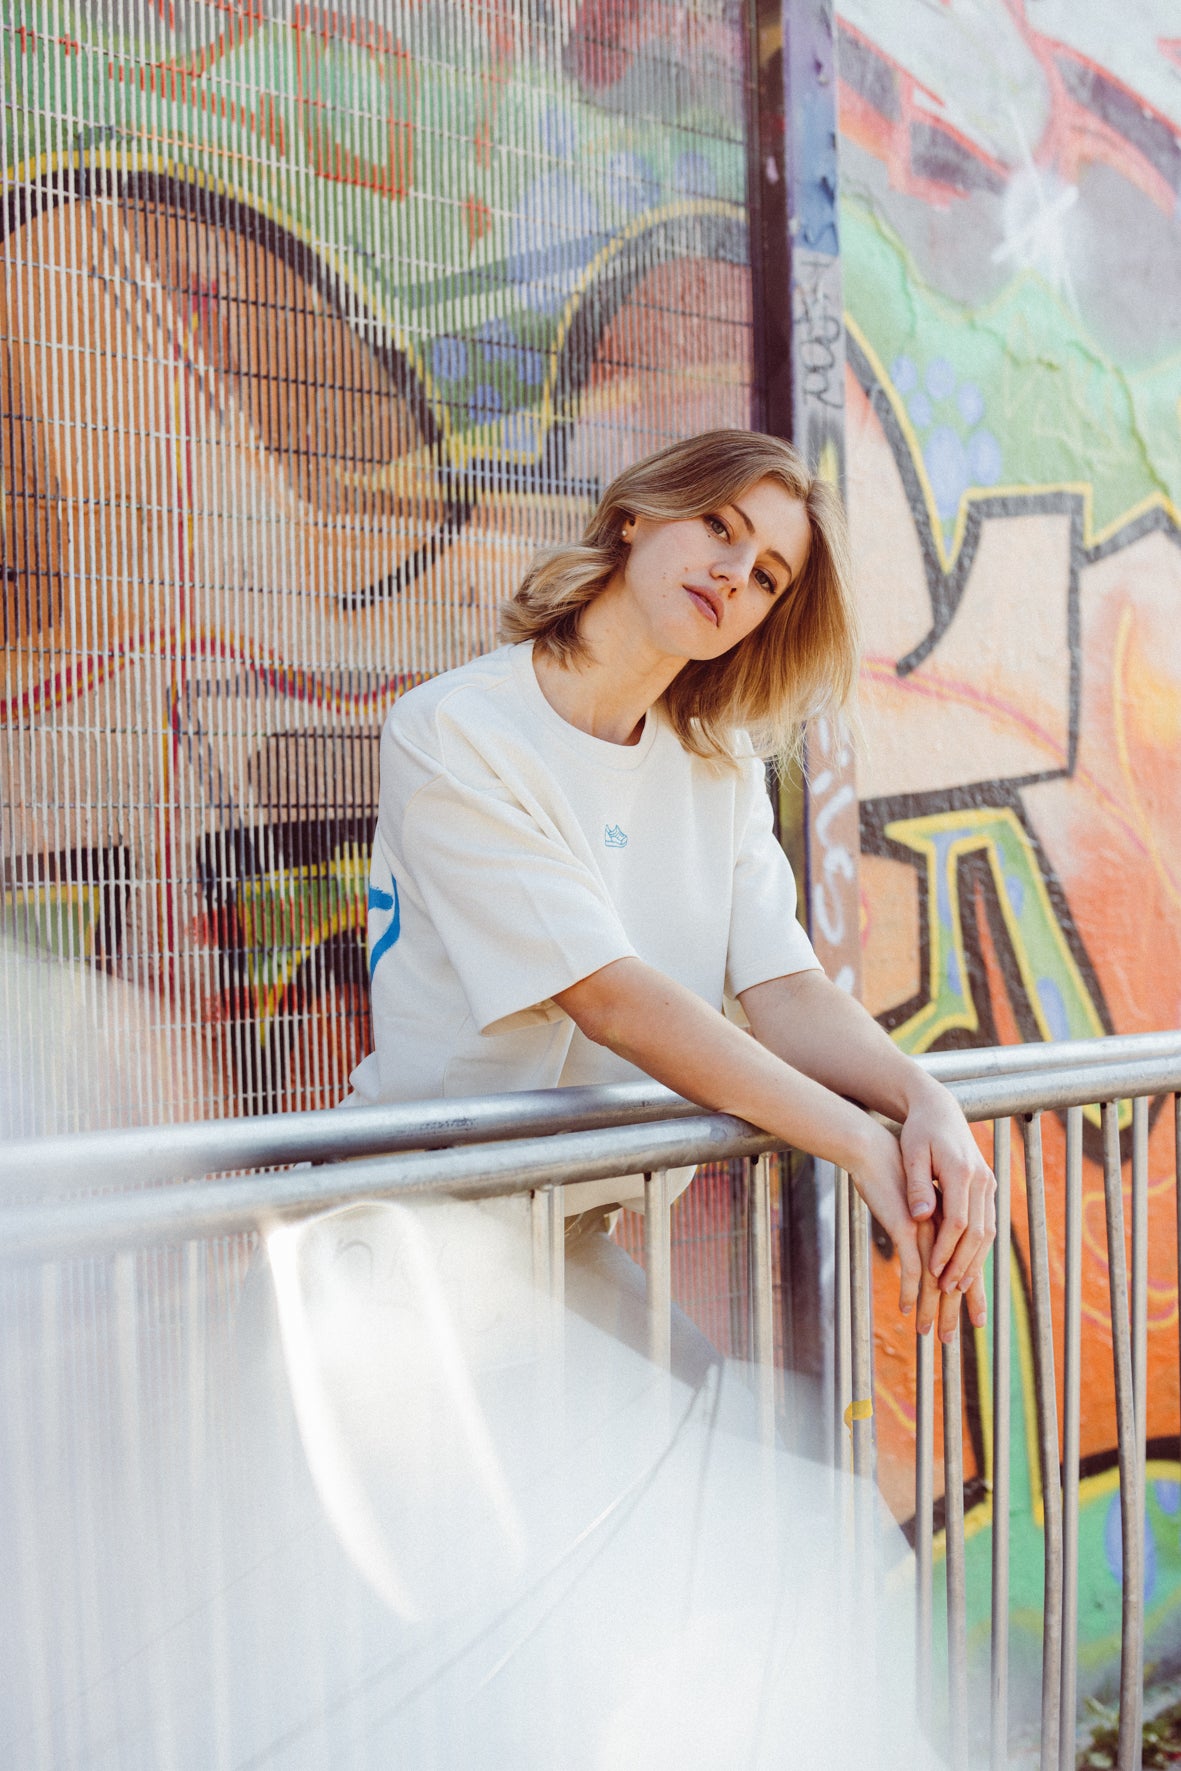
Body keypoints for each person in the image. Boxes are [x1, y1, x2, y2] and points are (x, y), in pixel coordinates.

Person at [347, 429, 996, 1372]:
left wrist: (920, 1095)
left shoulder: (714, 764)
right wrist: (857, 1141)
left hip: (557, 1240)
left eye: (768, 576)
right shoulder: (457, 730)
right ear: (635, 518)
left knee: (716, 1452)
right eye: (718, 527)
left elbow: (785, 989)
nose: (735, 574)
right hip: (413, 1241)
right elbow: (610, 999)